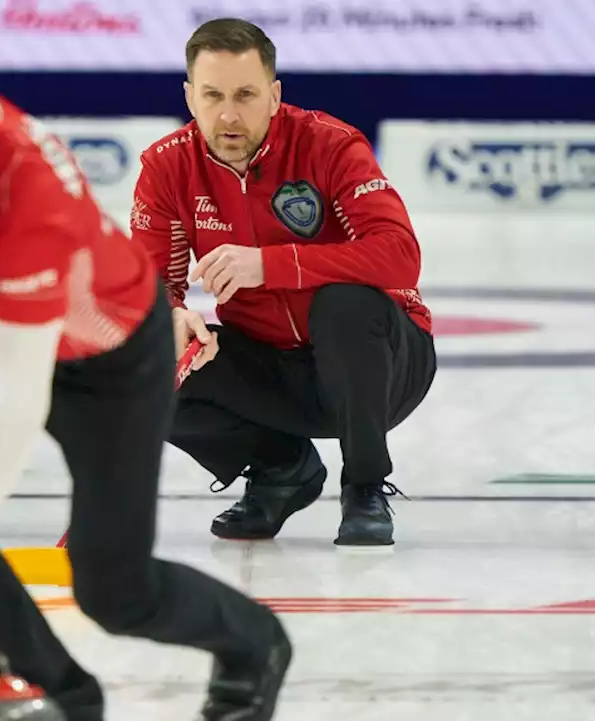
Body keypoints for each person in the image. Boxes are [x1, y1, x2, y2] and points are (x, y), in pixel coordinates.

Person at [0, 2, 291, 720]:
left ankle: (254, 642)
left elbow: (18, 406)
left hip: (108, 363)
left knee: (113, 589)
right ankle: (67, 694)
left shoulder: (27, 215)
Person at [131, 18, 437, 547]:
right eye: (213, 95)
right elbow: (148, 285)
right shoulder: (166, 167)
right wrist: (169, 316)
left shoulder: (331, 145)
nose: (228, 114)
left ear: (274, 96)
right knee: (145, 353)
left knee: (344, 304)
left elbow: (401, 256)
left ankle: (364, 486)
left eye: (246, 95)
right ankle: (281, 468)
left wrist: (270, 264)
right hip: (273, 370)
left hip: (383, 368)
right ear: (189, 96)